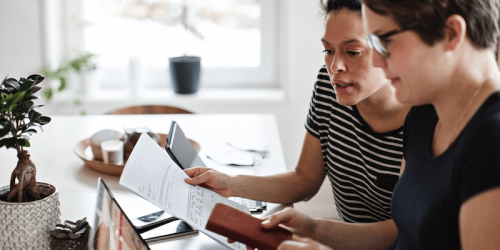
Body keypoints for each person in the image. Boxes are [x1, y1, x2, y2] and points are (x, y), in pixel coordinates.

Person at [261, 0, 500, 249]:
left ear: (451, 34)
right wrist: (315, 230)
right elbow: (402, 235)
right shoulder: (423, 115)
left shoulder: (491, 139)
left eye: (385, 41)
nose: (376, 60)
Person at [185, 0, 411, 225]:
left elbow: (405, 231)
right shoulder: (329, 85)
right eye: (328, 50)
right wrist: (230, 183)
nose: (335, 67)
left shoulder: (425, 116)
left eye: (353, 52)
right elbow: (305, 180)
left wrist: (315, 231)